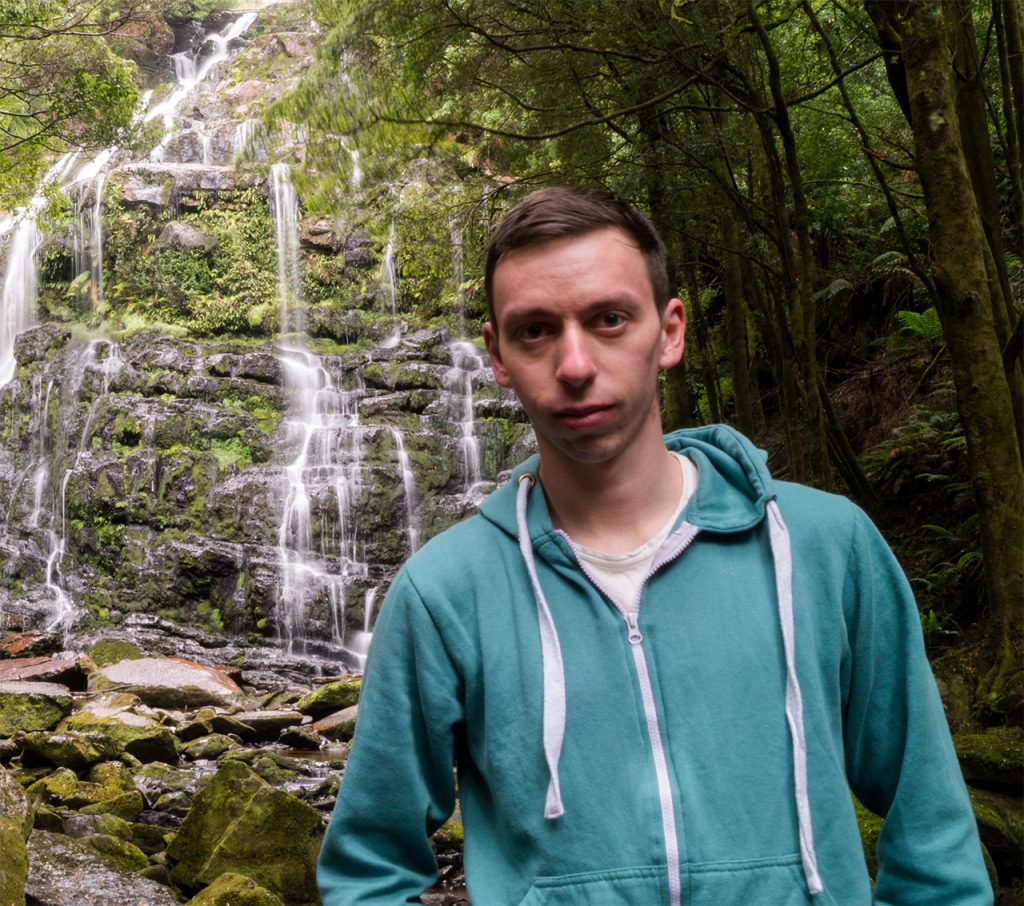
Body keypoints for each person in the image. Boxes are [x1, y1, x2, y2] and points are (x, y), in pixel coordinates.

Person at [317, 186, 991, 905]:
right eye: (536, 330)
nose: (575, 364)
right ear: (498, 355)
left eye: (609, 319)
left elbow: (934, 835)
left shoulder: (829, 547)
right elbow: (370, 871)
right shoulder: (444, 593)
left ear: (670, 332)